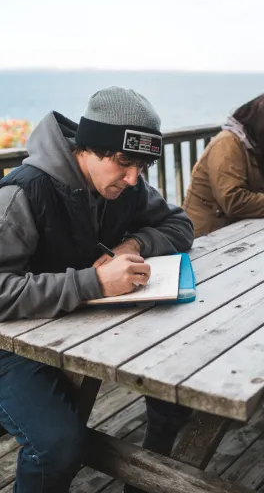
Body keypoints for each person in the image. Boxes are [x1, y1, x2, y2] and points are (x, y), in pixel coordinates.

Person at [0, 87, 194, 493]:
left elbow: (181, 225)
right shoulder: (21, 194)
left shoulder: (126, 185)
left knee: (175, 388)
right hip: (11, 346)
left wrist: (134, 244)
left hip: (81, 329)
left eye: (142, 165)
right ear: (88, 148)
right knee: (55, 446)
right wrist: (93, 283)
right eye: (124, 163)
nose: (133, 178)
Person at [182, 90, 264, 237]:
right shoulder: (227, 145)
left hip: (237, 232)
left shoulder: (258, 145)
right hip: (206, 239)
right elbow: (234, 201)